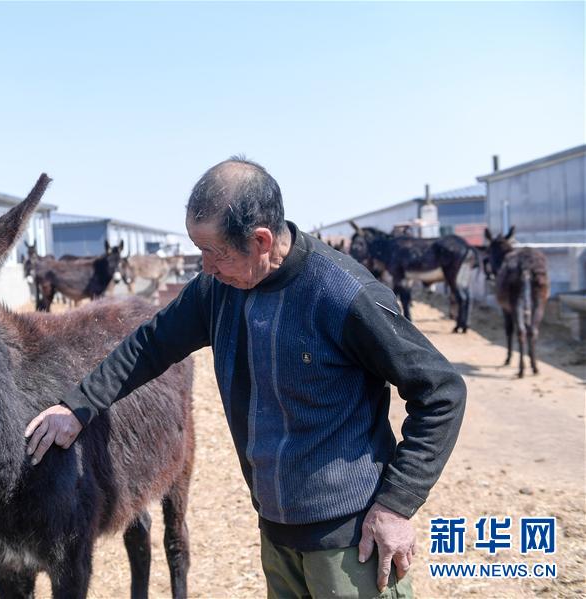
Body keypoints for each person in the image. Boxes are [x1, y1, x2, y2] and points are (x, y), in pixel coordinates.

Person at [24, 158, 466, 598]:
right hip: (276, 532)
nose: (206, 266)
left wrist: (397, 503)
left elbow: (441, 391)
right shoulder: (218, 290)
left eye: (215, 252)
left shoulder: (343, 296)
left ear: (260, 240)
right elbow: (149, 345)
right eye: (199, 250)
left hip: (351, 541)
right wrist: (77, 406)